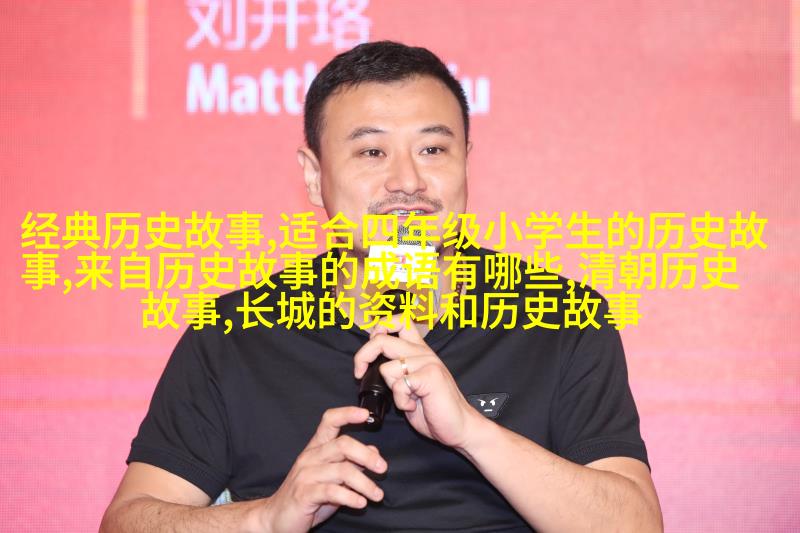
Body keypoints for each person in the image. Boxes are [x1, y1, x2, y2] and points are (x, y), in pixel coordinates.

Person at [101, 41, 663, 532]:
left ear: (467, 161)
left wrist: (472, 431)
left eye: (432, 150)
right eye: (372, 152)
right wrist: (267, 517)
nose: (407, 182)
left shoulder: (562, 316)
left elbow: (636, 524)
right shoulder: (235, 334)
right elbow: (128, 520)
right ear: (314, 175)